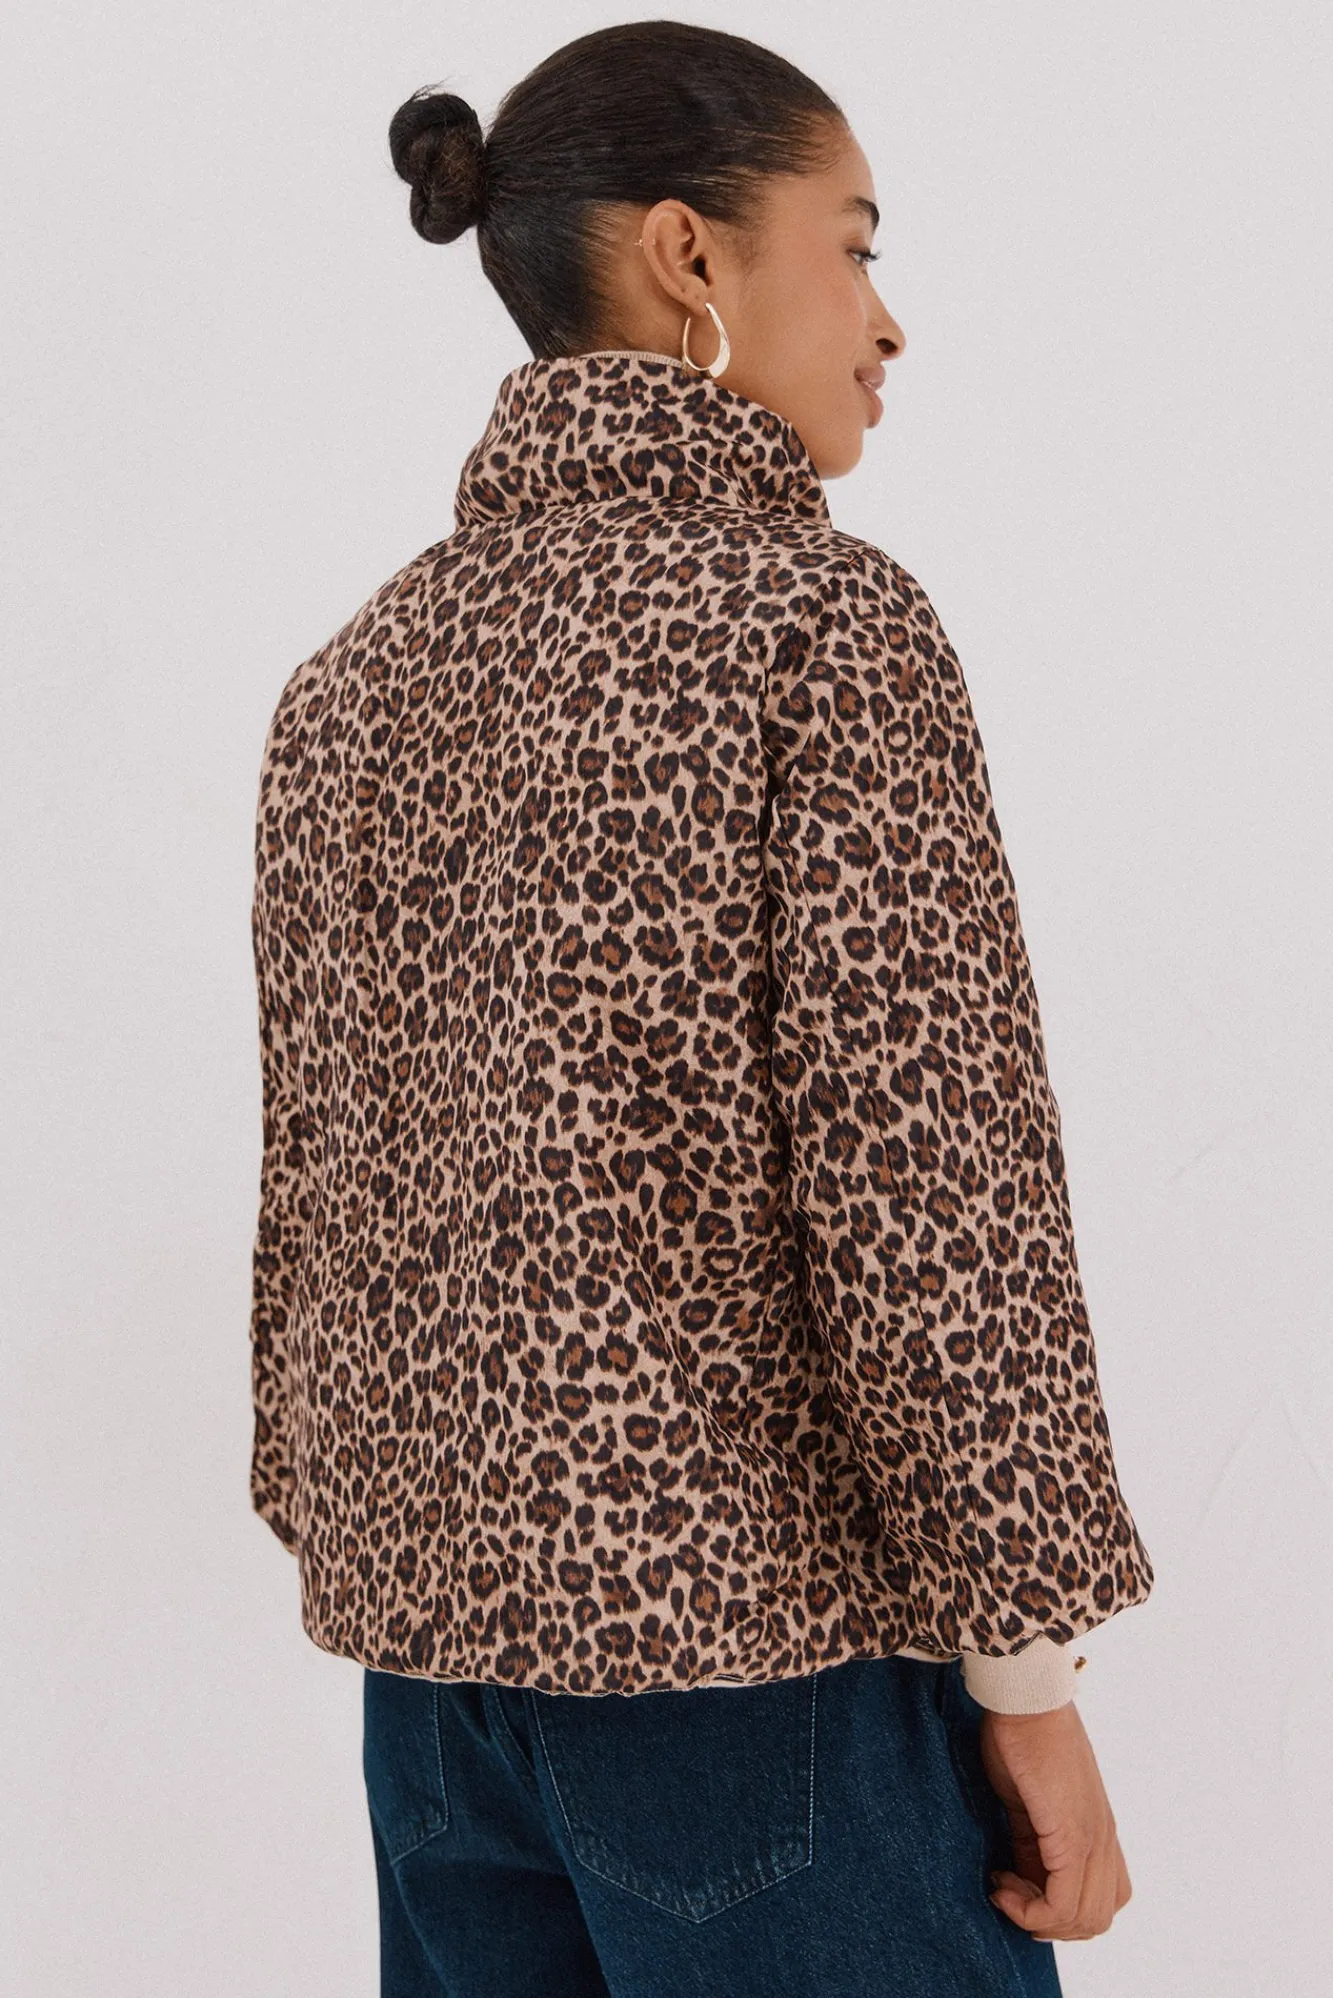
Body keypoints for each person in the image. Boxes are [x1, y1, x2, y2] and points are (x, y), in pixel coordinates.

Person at [247, 21, 1155, 1994]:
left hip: (434, 1699)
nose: (889, 320)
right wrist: (1028, 1678)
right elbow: (932, 1201)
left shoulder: (351, 679)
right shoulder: (816, 629)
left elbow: (319, 1198)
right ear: (689, 255)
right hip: (760, 1676)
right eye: (856, 243)